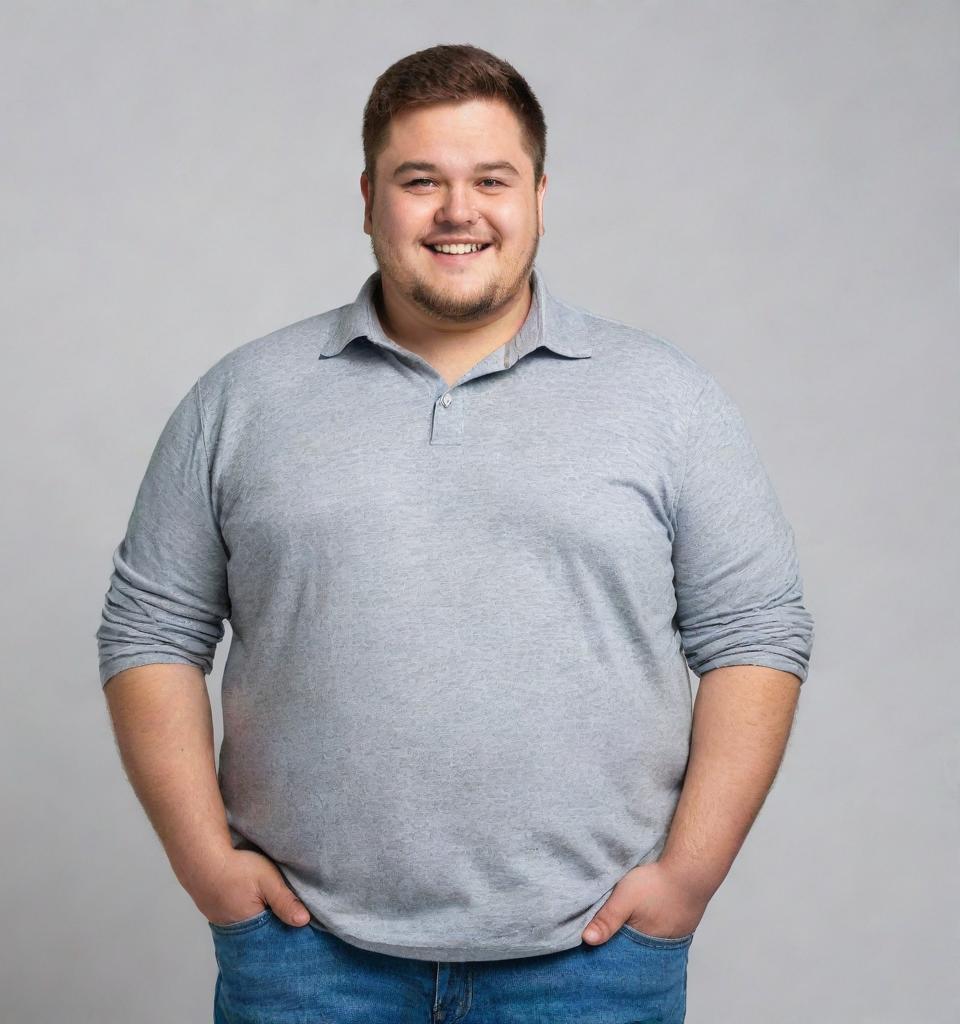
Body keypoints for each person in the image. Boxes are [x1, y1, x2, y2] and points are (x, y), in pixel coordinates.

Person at [96, 43, 815, 1024]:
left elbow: (755, 634)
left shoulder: (664, 400)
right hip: (307, 964)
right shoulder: (244, 397)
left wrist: (688, 876)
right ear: (366, 197)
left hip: (591, 967)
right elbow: (150, 630)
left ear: (539, 194)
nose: (456, 211)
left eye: (490, 179)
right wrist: (203, 863)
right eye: (419, 180)